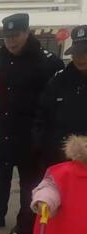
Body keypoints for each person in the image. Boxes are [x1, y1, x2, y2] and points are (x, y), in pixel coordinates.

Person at [0, 13, 64, 234]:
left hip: (30, 135)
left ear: (27, 33)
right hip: (4, 130)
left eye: (16, 36)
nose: (11, 42)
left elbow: (56, 100)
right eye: (7, 37)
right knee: (0, 176)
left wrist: (43, 132)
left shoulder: (47, 62)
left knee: (29, 185)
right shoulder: (2, 56)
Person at [33, 25, 87, 168]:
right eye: (77, 53)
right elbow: (41, 116)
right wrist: (43, 146)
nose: (80, 58)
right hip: (58, 162)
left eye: (85, 52)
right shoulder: (59, 81)